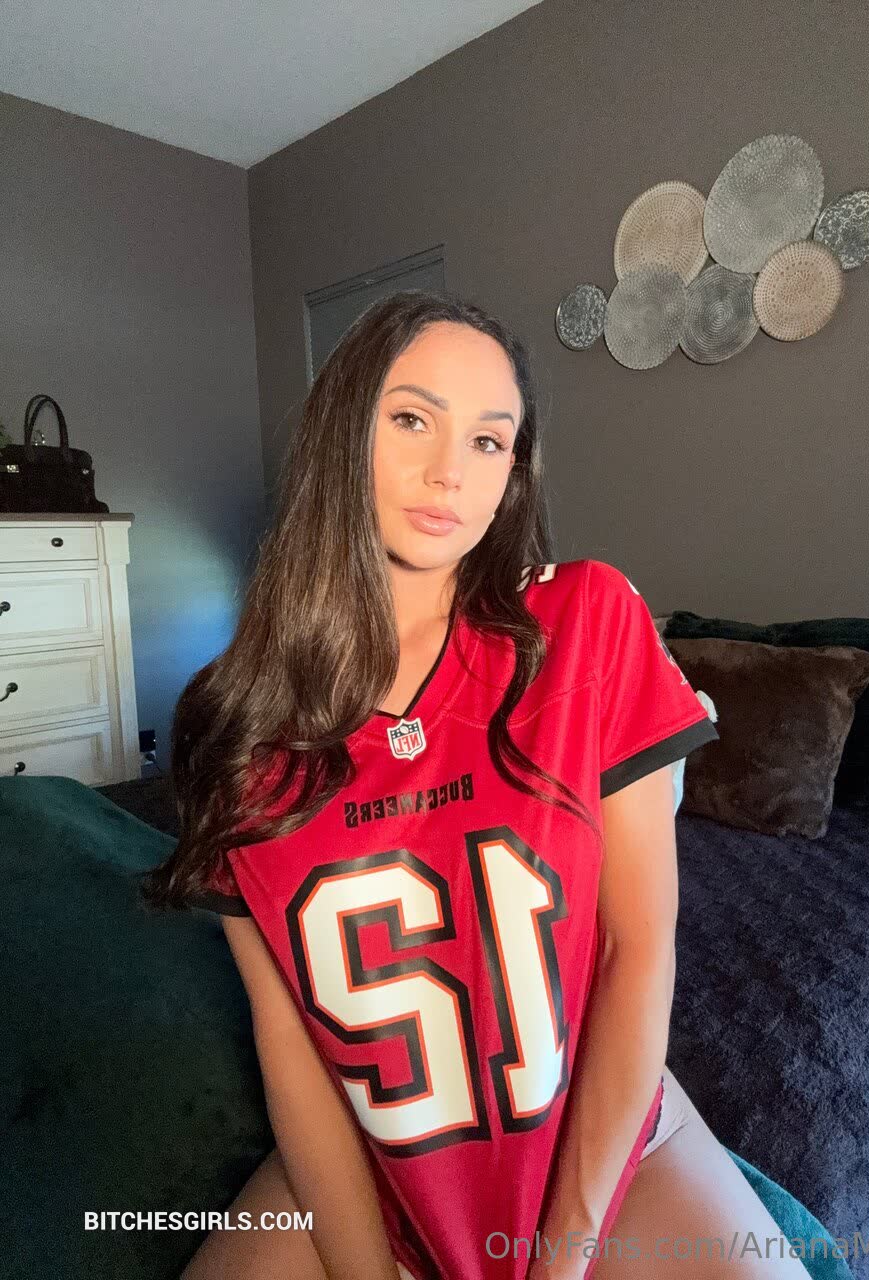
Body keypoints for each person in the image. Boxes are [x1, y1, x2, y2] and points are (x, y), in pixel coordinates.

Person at [141, 290, 810, 1280]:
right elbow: (289, 1041)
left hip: (601, 1144)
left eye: (490, 440)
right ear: (343, 432)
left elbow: (636, 945)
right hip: (369, 1162)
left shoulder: (588, 621)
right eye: (412, 418)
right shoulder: (232, 727)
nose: (450, 470)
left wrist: (562, 1254)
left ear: (512, 472)